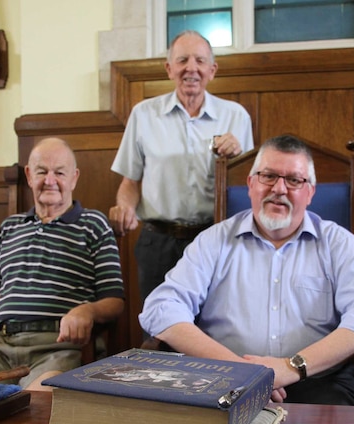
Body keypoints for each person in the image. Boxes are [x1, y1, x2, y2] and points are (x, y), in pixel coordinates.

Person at [139, 135, 354, 405]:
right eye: (269, 176)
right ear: (251, 184)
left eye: (294, 180)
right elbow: (162, 308)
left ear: (310, 193)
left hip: (318, 381)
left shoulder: (338, 244)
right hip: (221, 379)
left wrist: (290, 368)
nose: (279, 189)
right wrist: (241, 371)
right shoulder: (213, 241)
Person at [0, 137, 124, 391]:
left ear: (74, 177)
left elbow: (115, 301)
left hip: (58, 348)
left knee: (37, 402)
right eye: (42, 172)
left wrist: (87, 311)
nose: (50, 180)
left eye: (59, 172)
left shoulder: (94, 224)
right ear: (29, 175)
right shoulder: (10, 228)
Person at [109, 30, 254, 304]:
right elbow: (131, 182)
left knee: (213, 329)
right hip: (157, 242)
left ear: (212, 70)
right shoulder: (143, 114)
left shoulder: (236, 117)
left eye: (200, 61)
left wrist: (237, 158)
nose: (191, 68)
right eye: (183, 60)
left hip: (215, 241)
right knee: (159, 329)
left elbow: (250, 187)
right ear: (169, 68)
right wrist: (125, 209)